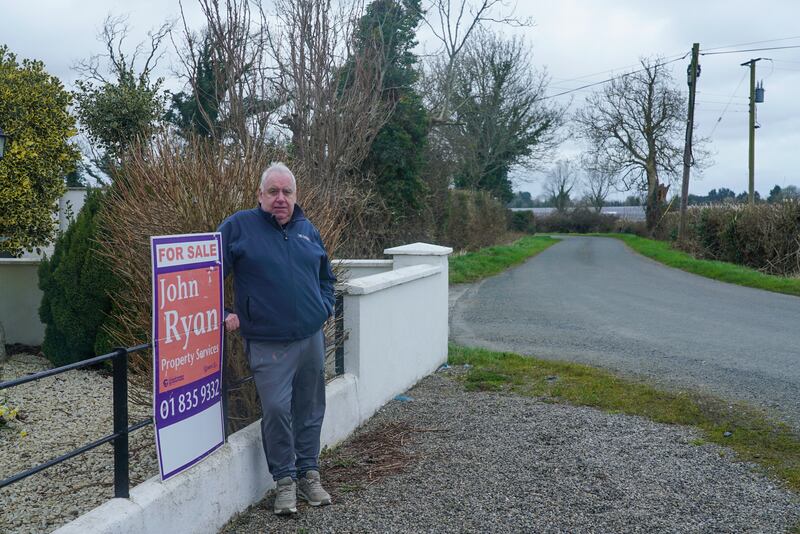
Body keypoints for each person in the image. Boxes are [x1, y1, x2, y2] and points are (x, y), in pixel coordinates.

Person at [218, 162, 336, 515]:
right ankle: (284, 482)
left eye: (287, 192)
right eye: (273, 192)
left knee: (311, 408)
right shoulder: (238, 227)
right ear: (260, 195)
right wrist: (223, 312)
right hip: (268, 343)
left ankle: (309, 474)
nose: (280, 199)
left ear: (296, 196)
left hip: (310, 338)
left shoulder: (307, 230)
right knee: (275, 410)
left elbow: (325, 278)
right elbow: (207, 273)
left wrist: (323, 309)